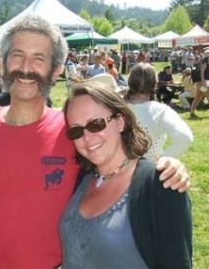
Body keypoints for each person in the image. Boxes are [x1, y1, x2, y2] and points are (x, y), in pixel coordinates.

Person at [0, 15, 190, 269]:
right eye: (17, 55)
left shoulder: (73, 132)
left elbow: (118, 167)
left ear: (56, 70)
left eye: (39, 58)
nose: (26, 67)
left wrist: (165, 166)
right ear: (3, 64)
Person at [60, 81, 192, 268]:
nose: (87, 138)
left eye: (96, 124)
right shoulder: (83, 177)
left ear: (120, 121)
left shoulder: (161, 185)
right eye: (76, 130)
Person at [124, 62, 193, 161]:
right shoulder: (159, 110)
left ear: (130, 82)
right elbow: (185, 138)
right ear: (155, 83)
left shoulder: (116, 106)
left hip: (118, 169)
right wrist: (160, 161)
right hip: (149, 170)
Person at [190, 49, 209, 119]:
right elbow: (202, 75)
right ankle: (192, 112)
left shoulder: (204, 62)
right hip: (201, 83)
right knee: (208, 96)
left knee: (198, 97)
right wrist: (204, 85)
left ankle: (192, 112)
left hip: (199, 83)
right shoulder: (204, 63)